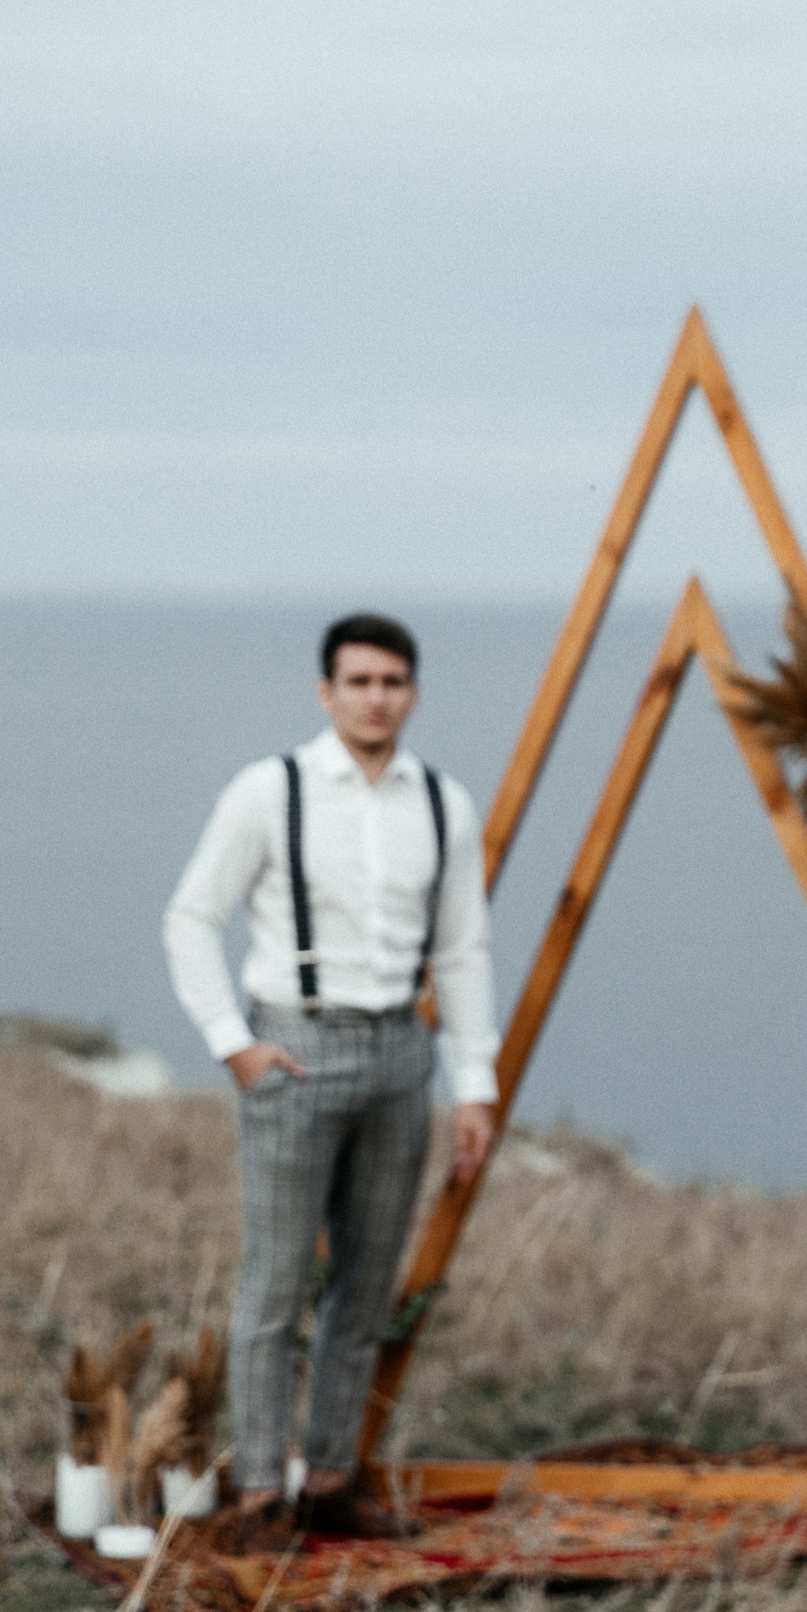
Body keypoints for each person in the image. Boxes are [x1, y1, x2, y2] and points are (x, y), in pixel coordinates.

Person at [164, 612, 500, 1534]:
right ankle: (264, 1492)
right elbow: (192, 916)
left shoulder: (444, 803)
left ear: (414, 693)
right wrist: (233, 1041)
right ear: (327, 692)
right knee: (274, 1286)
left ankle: (332, 1484)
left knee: (365, 1285)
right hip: (296, 1049)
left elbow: (464, 951)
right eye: (358, 681)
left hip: (401, 1055)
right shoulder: (270, 791)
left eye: (392, 682)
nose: (376, 697)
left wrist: (475, 1083)